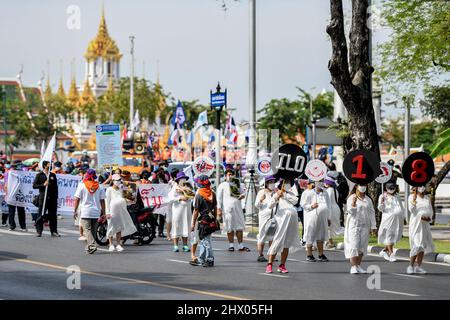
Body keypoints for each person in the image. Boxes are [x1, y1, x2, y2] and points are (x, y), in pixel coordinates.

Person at [265, 178, 302, 274]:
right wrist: (277, 197)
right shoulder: (276, 193)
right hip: (281, 221)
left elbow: (295, 201)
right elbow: (270, 206)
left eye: (289, 183)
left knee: (287, 244)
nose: (288, 184)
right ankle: (269, 264)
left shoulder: (291, 194)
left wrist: (285, 195)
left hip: (291, 222)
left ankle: (282, 265)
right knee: (277, 241)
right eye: (286, 183)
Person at [345, 185, 377, 274]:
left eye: (364, 185)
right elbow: (350, 211)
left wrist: (373, 226)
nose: (362, 187)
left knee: (362, 247)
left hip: (365, 226)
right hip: (354, 225)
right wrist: (353, 204)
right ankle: (353, 266)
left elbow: (371, 212)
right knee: (354, 245)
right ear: (356, 187)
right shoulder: (351, 197)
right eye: (360, 185)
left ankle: (358, 266)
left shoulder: (368, 199)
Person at [73, 169, 106, 254]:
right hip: (96, 211)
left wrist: (74, 210)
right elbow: (102, 200)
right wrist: (104, 212)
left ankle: (92, 245)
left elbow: (77, 199)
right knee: (93, 230)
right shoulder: (100, 186)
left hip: (86, 211)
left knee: (86, 229)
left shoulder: (82, 185)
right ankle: (89, 247)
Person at [217, 169, 250, 252]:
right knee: (229, 227)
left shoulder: (238, 184)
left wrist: (242, 195)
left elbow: (244, 192)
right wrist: (219, 209)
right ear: (225, 176)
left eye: (231, 174)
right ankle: (231, 245)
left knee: (239, 227)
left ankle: (240, 245)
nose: (230, 176)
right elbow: (219, 198)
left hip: (238, 208)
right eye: (228, 174)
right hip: (228, 209)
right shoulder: (222, 185)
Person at [407, 186, 435, 274]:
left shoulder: (427, 198)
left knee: (422, 246)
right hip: (416, 224)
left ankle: (418, 266)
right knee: (417, 245)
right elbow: (411, 209)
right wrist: (414, 201)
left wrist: (429, 218)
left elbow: (430, 210)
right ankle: (410, 266)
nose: (422, 188)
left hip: (425, 224)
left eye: (423, 186)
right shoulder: (411, 197)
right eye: (420, 186)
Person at [191, 175, 217, 267]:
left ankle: (210, 259)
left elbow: (196, 211)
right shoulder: (213, 194)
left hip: (203, 220)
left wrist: (193, 224)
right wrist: (216, 220)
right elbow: (215, 208)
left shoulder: (199, 195)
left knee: (206, 241)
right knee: (203, 239)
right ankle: (201, 259)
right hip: (211, 220)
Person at [105, 174, 137, 252]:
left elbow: (128, 198)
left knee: (119, 228)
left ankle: (118, 244)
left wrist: (131, 199)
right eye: (116, 180)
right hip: (112, 212)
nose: (118, 182)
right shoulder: (109, 189)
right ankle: (111, 244)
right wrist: (107, 212)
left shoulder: (122, 189)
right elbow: (107, 201)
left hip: (121, 211)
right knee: (111, 227)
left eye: (119, 180)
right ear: (112, 181)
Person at [300, 180, 330, 262]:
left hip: (322, 218)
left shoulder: (325, 193)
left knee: (321, 235)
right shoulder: (309, 193)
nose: (320, 182)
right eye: (318, 181)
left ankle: (321, 254)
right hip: (312, 217)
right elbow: (303, 204)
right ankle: (309, 254)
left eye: (321, 181)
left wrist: (328, 217)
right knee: (310, 234)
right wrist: (311, 206)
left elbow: (329, 205)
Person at [377, 182, 404, 262]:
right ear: (386, 188)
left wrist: (403, 216)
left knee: (393, 235)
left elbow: (400, 206)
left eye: (393, 188)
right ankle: (391, 254)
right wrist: (381, 202)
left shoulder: (397, 196)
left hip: (397, 219)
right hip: (388, 219)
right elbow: (380, 209)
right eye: (390, 188)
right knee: (388, 235)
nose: (392, 190)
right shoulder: (383, 196)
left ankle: (384, 251)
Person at [33, 160, 59, 237]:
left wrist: (56, 198)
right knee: (41, 214)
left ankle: (54, 231)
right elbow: (34, 186)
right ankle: (39, 231)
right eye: (48, 164)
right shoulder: (39, 175)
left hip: (52, 198)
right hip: (43, 198)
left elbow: (55, 187)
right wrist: (43, 185)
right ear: (45, 166)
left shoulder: (53, 175)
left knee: (53, 215)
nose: (50, 166)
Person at [168, 172, 193, 252]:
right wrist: (180, 198)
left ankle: (185, 245)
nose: (183, 180)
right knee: (176, 226)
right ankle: (175, 245)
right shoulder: (175, 188)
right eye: (182, 179)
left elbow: (192, 195)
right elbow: (170, 197)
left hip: (187, 210)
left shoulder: (188, 186)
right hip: (177, 210)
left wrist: (189, 196)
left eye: (184, 178)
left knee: (186, 226)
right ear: (178, 180)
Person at [255, 175, 277, 262]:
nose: (272, 184)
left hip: (274, 216)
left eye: (273, 182)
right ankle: (260, 255)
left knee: (273, 236)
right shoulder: (262, 192)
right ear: (266, 183)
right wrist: (261, 200)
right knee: (262, 235)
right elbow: (256, 205)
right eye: (270, 182)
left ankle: (271, 254)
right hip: (264, 217)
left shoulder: (275, 193)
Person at [323, 176, 344, 248]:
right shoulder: (335, 190)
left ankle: (330, 242)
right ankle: (329, 241)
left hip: (331, 208)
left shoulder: (328, 190)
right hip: (336, 207)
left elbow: (327, 202)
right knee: (335, 226)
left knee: (328, 226)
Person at [166, 168, 180, 241]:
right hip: (171, 202)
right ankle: (168, 235)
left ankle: (176, 234)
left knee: (177, 218)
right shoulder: (171, 182)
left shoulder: (178, 182)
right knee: (169, 219)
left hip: (177, 202)